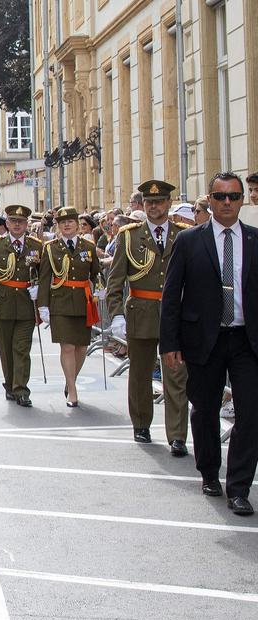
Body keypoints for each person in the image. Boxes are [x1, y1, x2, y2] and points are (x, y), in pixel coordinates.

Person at [162, 172, 258, 516]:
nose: (228, 203)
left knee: (252, 413)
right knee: (204, 410)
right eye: (220, 197)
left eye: (234, 196)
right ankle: (209, 472)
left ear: (242, 199)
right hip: (204, 339)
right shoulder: (190, 240)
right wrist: (169, 342)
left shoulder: (254, 239)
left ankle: (239, 487)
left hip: (247, 340)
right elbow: (172, 294)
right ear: (210, 199)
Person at [107, 181, 190, 450]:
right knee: (141, 374)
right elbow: (115, 281)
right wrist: (116, 316)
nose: (154, 207)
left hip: (175, 315)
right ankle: (141, 423)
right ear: (143, 205)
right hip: (140, 312)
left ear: (168, 203)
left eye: (160, 201)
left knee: (176, 375)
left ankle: (177, 435)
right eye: (149, 202)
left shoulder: (184, 234)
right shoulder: (128, 235)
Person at [37, 206, 102, 407]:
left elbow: (95, 274)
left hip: (83, 303)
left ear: (77, 225)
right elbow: (45, 278)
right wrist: (43, 305)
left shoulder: (88, 247)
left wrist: (100, 289)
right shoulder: (51, 248)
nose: (66, 225)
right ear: (58, 226)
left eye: (70, 222)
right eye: (62, 222)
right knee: (67, 347)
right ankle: (72, 390)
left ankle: (69, 379)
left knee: (81, 348)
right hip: (61, 302)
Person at [0, 205, 44, 407]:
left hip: (26, 304)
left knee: (22, 349)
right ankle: (10, 384)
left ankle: (21, 390)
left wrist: (40, 291)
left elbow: (43, 274)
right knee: (6, 350)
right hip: (3, 304)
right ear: (7, 224)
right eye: (13, 221)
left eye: (21, 222)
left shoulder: (36, 246)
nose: (17, 225)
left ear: (27, 224)